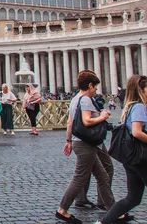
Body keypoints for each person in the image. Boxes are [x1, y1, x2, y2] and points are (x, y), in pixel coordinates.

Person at [55, 70, 118, 224]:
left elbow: (70, 122)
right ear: (90, 85)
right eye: (95, 86)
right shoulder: (85, 100)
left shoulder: (75, 99)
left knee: (102, 176)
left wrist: (68, 140)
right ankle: (62, 210)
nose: (96, 89)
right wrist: (102, 116)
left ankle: (114, 211)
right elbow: (87, 121)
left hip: (80, 142)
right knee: (79, 178)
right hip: (85, 144)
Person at [97, 75, 147, 224]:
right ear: (141, 90)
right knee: (132, 198)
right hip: (140, 157)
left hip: (131, 157)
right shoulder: (138, 107)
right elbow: (137, 132)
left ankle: (102, 222)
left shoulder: (131, 106)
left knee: (133, 198)